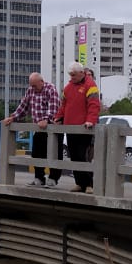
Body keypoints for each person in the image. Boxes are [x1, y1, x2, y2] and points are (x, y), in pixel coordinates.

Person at [2, 72, 62, 187]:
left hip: (53, 127)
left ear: (41, 82)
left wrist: (47, 119)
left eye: (35, 85)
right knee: (36, 153)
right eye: (31, 85)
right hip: (39, 128)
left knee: (55, 153)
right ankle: (39, 178)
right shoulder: (30, 90)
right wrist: (13, 117)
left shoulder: (50, 89)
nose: (33, 88)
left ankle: (53, 178)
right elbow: (23, 107)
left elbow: (53, 108)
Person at [54, 63, 101, 193]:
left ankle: (89, 184)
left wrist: (90, 121)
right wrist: (58, 117)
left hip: (84, 128)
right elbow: (64, 106)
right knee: (74, 156)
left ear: (81, 73)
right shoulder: (68, 88)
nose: (72, 77)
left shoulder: (90, 85)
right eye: (70, 75)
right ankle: (79, 183)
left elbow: (94, 105)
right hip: (70, 128)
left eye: (74, 75)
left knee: (82, 156)